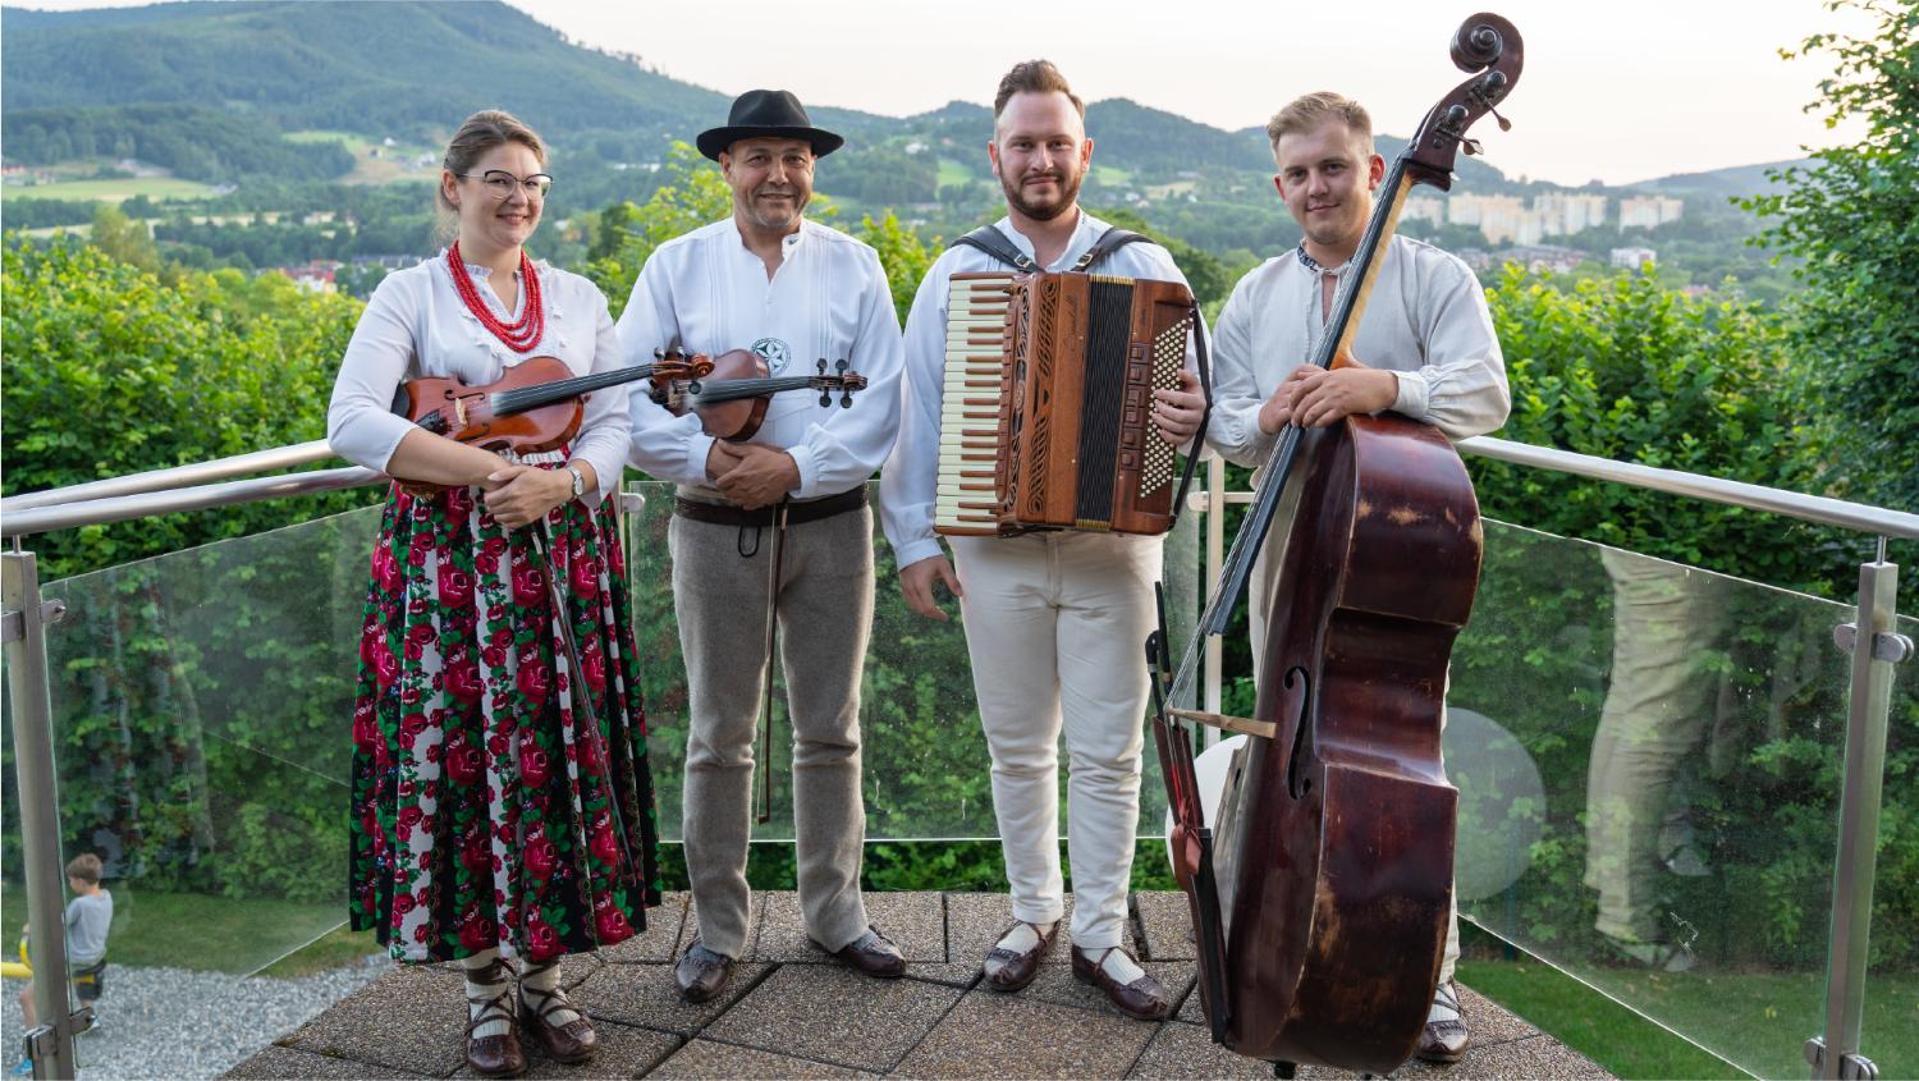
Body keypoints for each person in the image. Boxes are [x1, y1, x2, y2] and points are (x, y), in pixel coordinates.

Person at [328, 109, 662, 1079]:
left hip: (559, 553)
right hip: (446, 575)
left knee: (555, 757)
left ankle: (547, 982)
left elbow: (611, 420)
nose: (519, 199)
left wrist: (570, 483)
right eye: (498, 180)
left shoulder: (574, 295)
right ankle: (484, 990)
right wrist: (487, 474)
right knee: (468, 765)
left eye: (533, 184)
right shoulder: (410, 293)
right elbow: (351, 421)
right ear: (452, 186)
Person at [880, 60, 1208, 1022]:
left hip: (1115, 549)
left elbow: (1201, 401)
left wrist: (1184, 418)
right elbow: (919, 417)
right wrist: (912, 541)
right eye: (1023, 143)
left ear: (1084, 153)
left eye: (1056, 142)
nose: (1040, 158)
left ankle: (1102, 934)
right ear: (996, 154)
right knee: (1016, 745)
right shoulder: (958, 268)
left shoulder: (1147, 267)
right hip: (993, 547)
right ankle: (1033, 913)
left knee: (1108, 751)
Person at [1206, 90, 1510, 1065]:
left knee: (1403, 762)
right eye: (1295, 173)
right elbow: (1221, 418)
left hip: (1389, 560)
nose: (1313, 188)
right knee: (1282, 748)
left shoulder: (1431, 277)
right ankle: (1282, 949)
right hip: (1286, 545)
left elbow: (1484, 393)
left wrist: (1382, 387)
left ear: (1374, 171)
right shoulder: (1255, 295)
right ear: (1276, 184)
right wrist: (1262, 417)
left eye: (1331, 167)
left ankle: (1428, 981)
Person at [618, 90, 907, 1003]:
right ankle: (716, 927)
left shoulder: (856, 266)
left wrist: (794, 466)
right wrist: (706, 454)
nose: (777, 174)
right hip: (710, 526)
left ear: (811, 169)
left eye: (794, 157)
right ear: (726, 167)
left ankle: (835, 914)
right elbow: (624, 402)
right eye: (758, 157)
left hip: (830, 525)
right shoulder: (676, 266)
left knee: (833, 729)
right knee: (717, 736)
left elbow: (883, 404)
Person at [11, 854, 113, 1076]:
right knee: (81, 981)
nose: (69, 884)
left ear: (81, 882)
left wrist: (31, 928)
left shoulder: (80, 904)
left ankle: (34, 1057)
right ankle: (90, 1018)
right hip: (95, 959)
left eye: (71, 880)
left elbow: (58, 925)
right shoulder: (106, 898)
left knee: (25, 998)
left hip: (73, 962)